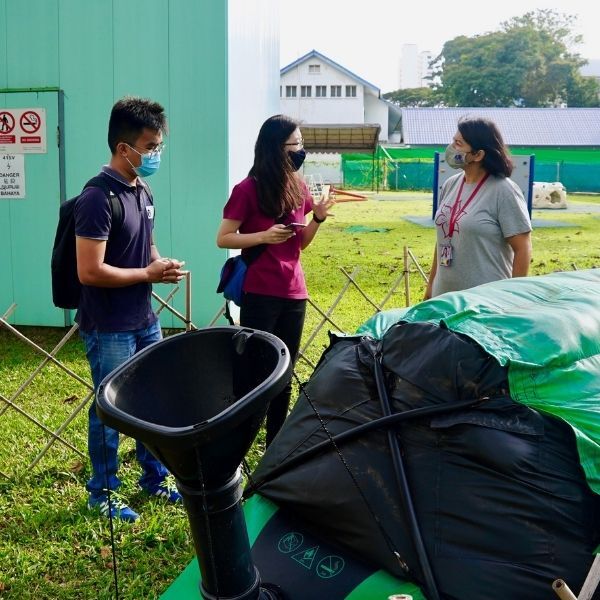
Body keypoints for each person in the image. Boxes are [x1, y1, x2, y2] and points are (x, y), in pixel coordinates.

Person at [75, 96, 186, 522]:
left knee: (151, 400)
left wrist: (161, 263)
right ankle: (102, 491)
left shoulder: (143, 189)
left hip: (143, 319)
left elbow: (146, 247)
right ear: (125, 148)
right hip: (109, 326)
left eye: (159, 145)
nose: (157, 153)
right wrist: (147, 275)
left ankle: (154, 479)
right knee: (109, 408)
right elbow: (90, 270)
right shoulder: (97, 198)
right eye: (151, 146)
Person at [216, 114, 334, 446]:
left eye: (301, 144)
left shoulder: (298, 186)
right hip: (261, 291)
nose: (301, 151)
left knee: (285, 373)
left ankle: (275, 447)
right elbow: (223, 238)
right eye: (295, 144)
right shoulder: (247, 189)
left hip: (295, 292)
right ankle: (239, 443)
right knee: (258, 371)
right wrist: (263, 236)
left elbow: (302, 244)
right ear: (274, 148)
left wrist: (318, 219)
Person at [425, 116, 532, 299]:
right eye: (453, 141)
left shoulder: (504, 190)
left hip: (485, 304)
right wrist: (431, 288)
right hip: (444, 300)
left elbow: (523, 248)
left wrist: (512, 298)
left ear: (478, 155)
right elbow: (443, 240)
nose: (451, 149)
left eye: (458, 144)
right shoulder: (451, 184)